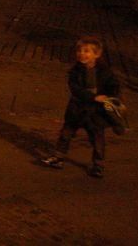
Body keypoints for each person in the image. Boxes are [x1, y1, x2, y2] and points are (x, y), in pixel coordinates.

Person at [41, 37, 121, 178]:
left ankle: (98, 165)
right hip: (77, 109)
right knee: (66, 134)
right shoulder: (75, 71)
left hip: (96, 112)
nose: (81, 54)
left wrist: (110, 97)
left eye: (86, 51)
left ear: (97, 54)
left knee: (97, 140)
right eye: (79, 50)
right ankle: (58, 157)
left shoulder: (105, 72)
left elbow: (114, 87)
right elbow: (75, 88)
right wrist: (92, 97)